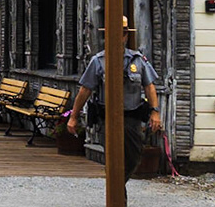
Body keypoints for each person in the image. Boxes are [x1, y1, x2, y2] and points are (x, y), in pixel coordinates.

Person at [66, 23, 163, 178]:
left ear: (126, 36)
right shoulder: (99, 61)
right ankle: (118, 197)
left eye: (123, 33)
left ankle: (117, 190)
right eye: (114, 33)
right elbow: (85, 90)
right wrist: (73, 116)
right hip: (108, 118)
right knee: (113, 158)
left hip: (132, 117)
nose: (119, 36)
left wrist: (155, 112)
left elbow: (149, 87)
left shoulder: (138, 60)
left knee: (134, 156)